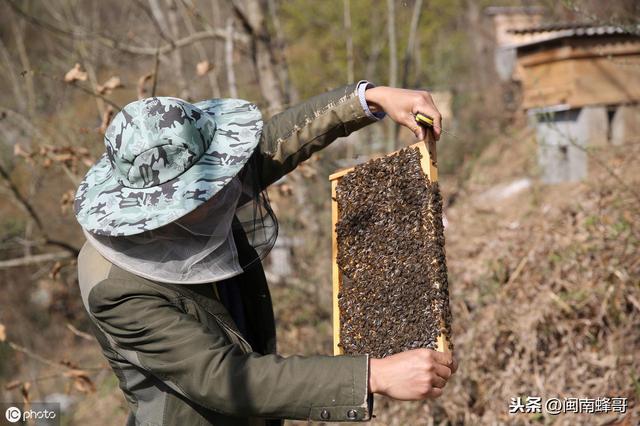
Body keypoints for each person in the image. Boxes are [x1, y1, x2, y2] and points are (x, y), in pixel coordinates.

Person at [74, 81, 457, 425]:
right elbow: (223, 378)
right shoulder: (116, 290)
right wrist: (373, 375)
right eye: (207, 190)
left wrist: (367, 99)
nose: (227, 188)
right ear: (166, 210)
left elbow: (273, 144)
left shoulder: (204, 186)